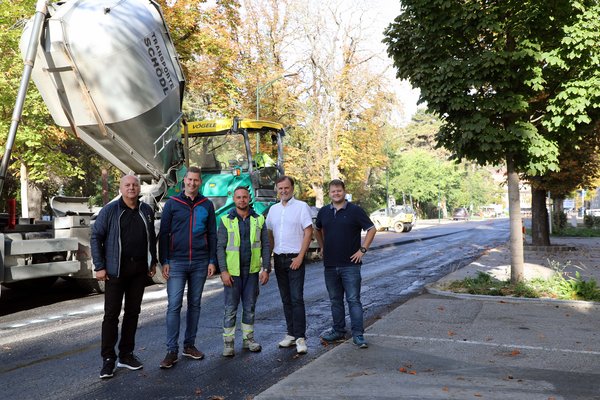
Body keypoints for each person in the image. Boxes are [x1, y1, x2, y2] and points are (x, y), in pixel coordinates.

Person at [91, 174, 158, 379]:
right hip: (114, 272)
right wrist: (100, 266)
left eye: (135, 185)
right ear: (120, 188)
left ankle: (126, 355)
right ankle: (108, 359)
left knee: (133, 313)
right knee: (111, 316)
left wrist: (152, 261)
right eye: (127, 185)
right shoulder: (110, 211)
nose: (132, 188)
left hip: (138, 272)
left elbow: (151, 238)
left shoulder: (146, 210)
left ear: (139, 188)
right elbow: (96, 237)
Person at [158, 166, 217, 368]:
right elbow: (164, 234)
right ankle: (171, 351)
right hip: (176, 262)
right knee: (174, 306)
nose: (192, 183)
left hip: (200, 262)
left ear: (200, 182)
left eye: (196, 180)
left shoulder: (207, 205)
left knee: (195, 305)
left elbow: (212, 234)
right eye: (189, 180)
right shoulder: (172, 204)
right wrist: (164, 260)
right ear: (184, 181)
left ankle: (189, 345)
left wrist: (212, 261)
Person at [315, 179, 376, 349]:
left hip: (351, 265)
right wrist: (322, 246)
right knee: (335, 300)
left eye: (339, 191)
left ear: (344, 191)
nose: (336, 194)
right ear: (329, 193)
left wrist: (362, 250)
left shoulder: (355, 211)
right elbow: (316, 228)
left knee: (353, 300)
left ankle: (358, 335)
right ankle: (338, 331)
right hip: (330, 265)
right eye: (333, 191)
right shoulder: (324, 212)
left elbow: (371, 229)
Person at [217, 186, 271, 357]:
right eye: (238, 197)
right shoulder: (226, 220)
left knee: (249, 307)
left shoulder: (259, 219)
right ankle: (228, 343)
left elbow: (266, 245)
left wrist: (266, 268)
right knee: (230, 308)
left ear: (249, 199)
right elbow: (220, 247)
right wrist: (223, 271)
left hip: (252, 271)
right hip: (233, 273)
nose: (242, 200)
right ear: (234, 199)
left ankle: (248, 339)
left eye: (245, 197)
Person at [266, 176, 313, 354]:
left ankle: (301, 337)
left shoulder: (301, 207)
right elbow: (270, 235)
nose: (283, 191)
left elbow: (308, 232)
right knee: (286, 299)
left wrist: (301, 257)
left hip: (295, 258)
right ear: (277, 190)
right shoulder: (273, 210)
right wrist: (268, 259)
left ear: (292, 188)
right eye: (280, 188)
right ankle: (291, 334)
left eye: (286, 188)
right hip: (279, 258)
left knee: (296, 298)